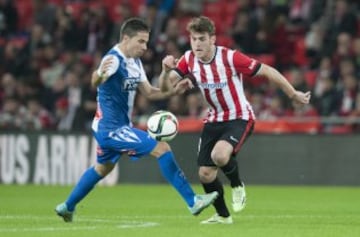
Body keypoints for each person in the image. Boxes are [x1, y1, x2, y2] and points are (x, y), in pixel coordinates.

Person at [55, 17, 218, 222]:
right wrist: (98, 74)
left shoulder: (135, 62)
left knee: (102, 168)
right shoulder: (114, 59)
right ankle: (193, 201)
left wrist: (174, 90)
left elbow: (150, 92)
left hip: (115, 126)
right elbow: (95, 81)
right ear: (125, 38)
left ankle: (67, 206)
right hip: (111, 128)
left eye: (146, 42)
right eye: (140, 41)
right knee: (162, 149)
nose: (144, 47)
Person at [159, 16, 311, 224]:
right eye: (194, 39)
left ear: (212, 39)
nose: (197, 44)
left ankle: (237, 185)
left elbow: (267, 70)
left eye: (202, 39)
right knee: (205, 174)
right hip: (214, 119)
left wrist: (292, 94)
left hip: (239, 116)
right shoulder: (188, 59)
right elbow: (165, 89)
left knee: (220, 156)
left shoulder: (229, 58)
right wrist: (165, 72)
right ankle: (223, 216)